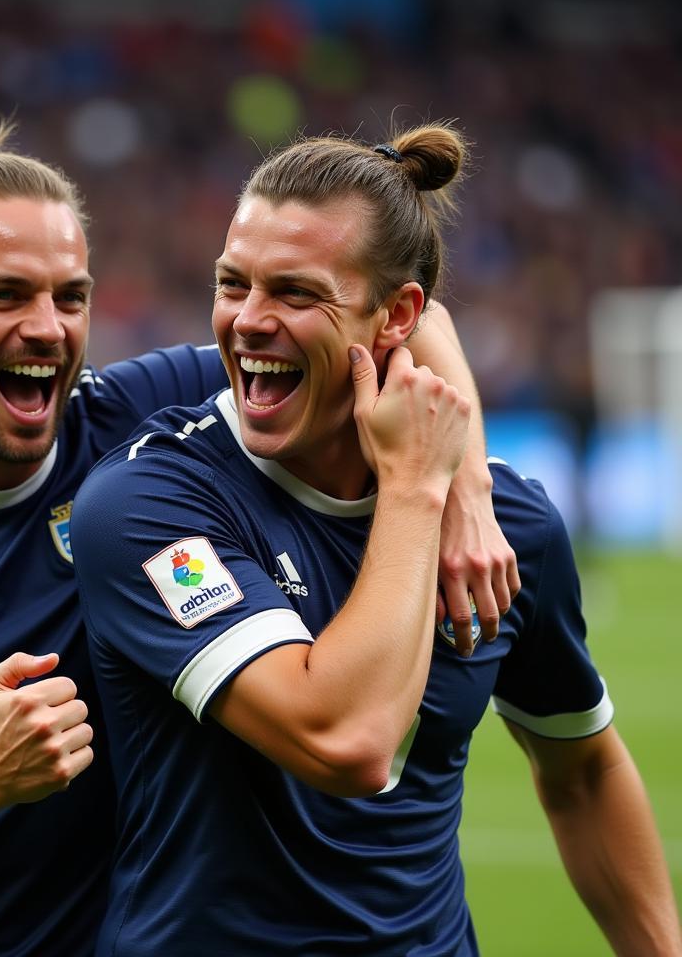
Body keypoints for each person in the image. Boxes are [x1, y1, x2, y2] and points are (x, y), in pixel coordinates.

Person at [0, 116, 516, 957]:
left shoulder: (124, 421)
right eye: (4, 295)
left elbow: (386, 314)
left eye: (71, 296)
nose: (47, 328)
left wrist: (466, 486)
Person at [71, 124, 682, 956]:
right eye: (231, 283)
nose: (248, 322)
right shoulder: (150, 502)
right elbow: (347, 741)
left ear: (396, 316)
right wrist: (422, 488)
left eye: (295, 292)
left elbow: (582, 771)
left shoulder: (506, 530)